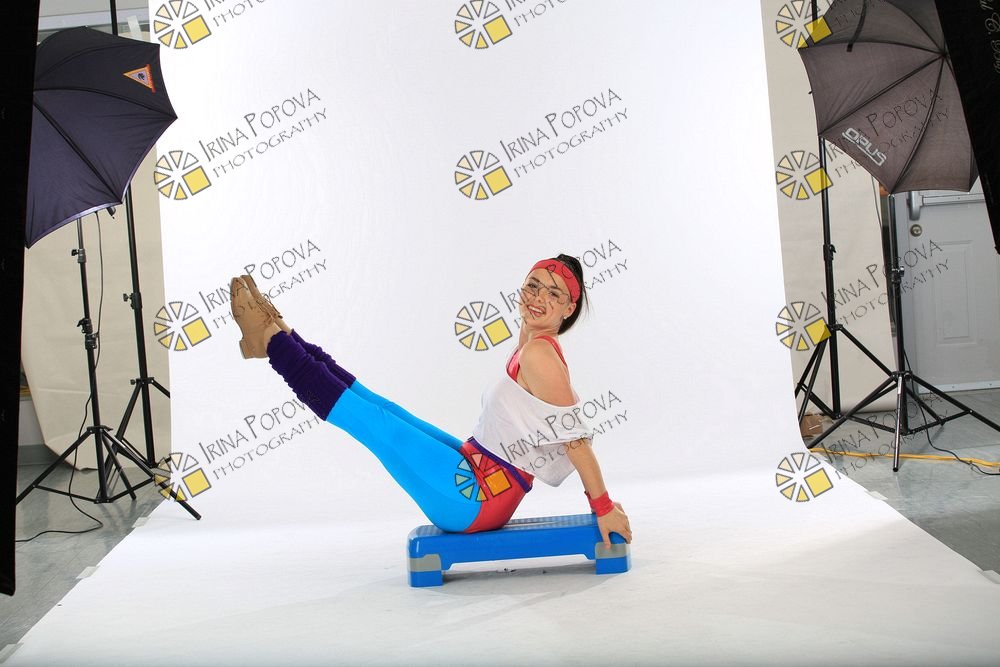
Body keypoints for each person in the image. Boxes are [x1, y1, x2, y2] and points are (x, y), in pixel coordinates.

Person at [229, 255, 632, 548]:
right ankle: (280, 332)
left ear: (569, 308)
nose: (538, 297)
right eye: (533, 285)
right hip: (477, 468)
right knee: (382, 409)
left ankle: (273, 343)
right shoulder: (531, 344)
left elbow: (575, 441)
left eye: (554, 293)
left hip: (476, 499)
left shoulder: (540, 354)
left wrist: (603, 507)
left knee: (375, 424)